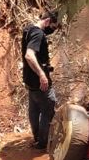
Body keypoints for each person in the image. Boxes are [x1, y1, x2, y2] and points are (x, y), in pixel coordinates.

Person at [22, 10, 60, 150]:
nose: (52, 31)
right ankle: (43, 142)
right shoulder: (38, 34)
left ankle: (37, 139)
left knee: (34, 108)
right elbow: (29, 55)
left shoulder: (28, 29)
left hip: (29, 79)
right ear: (48, 21)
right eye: (53, 27)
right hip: (38, 80)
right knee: (48, 107)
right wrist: (42, 75)